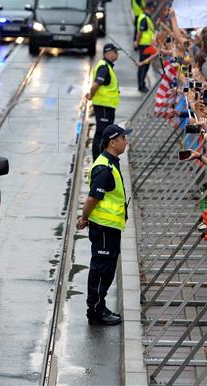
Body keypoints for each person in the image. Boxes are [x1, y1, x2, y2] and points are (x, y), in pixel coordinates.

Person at [77, 124, 132, 325]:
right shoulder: (103, 168)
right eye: (124, 138)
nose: (127, 142)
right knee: (101, 270)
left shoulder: (111, 163)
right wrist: (84, 218)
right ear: (113, 142)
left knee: (106, 269)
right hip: (104, 228)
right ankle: (95, 310)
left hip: (110, 227)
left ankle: (99, 306)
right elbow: (93, 198)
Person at [86, 43, 120, 159]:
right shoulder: (104, 67)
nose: (117, 54)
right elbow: (96, 84)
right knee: (101, 133)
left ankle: (102, 158)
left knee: (105, 133)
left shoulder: (107, 66)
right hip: (104, 106)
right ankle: (97, 160)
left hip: (107, 106)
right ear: (109, 53)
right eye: (116, 52)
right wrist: (91, 95)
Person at [133, 1, 155, 93]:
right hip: (144, 45)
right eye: (153, 7)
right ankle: (141, 85)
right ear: (149, 8)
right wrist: (136, 42)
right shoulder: (144, 18)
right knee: (143, 65)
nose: (154, 9)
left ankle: (142, 84)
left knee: (146, 64)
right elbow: (140, 32)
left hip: (148, 45)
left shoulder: (146, 17)